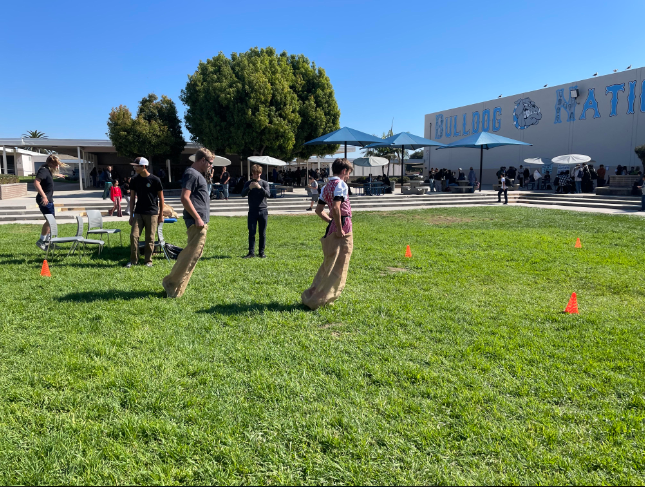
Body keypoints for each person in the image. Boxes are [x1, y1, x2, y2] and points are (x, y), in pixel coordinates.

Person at [301, 158, 354, 310]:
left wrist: (330, 222)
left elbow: (318, 210)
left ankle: (315, 293)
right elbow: (337, 208)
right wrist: (338, 227)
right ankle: (323, 298)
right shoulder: (341, 185)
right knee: (338, 265)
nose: (348, 176)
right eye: (349, 173)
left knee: (328, 264)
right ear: (344, 171)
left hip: (334, 226)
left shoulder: (326, 187)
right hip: (343, 225)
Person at [162, 149, 213, 298]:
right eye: (210, 163)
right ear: (202, 160)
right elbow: (184, 198)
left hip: (199, 220)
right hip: (196, 221)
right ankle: (171, 283)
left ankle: (177, 290)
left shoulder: (197, 175)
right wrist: (197, 217)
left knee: (193, 255)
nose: (211, 166)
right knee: (191, 255)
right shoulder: (191, 173)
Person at [125, 157, 164, 268]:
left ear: (143, 166)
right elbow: (132, 198)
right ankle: (133, 260)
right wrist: (131, 214)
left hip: (152, 213)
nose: (134, 168)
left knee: (150, 238)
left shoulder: (155, 180)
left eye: (136, 166)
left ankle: (148, 260)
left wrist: (160, 215)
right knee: (134, 236)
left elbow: (161, 198)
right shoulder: (134, 180)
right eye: (134, 165)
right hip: (138, 212)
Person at [35, 155, 68, 250]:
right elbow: (36, 182)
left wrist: (58, 175)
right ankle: (41, 241)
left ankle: (49, 242)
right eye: (55, 165)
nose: (57, 167)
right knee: (50, 221)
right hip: (44, 200)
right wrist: (44, 196)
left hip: (48, 199)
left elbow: (47, 177)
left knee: (51, 221)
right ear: (50, 163)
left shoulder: (47, 170)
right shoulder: (43, 170)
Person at [241, 164, 271, 258]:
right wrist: (249, 188)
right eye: (254, 174)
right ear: (252, 174)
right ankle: (251, 252)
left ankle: (261, 252)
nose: (256, 176)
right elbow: (242, 194)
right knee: (252, 232)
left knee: (262, 233)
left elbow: (268, 194)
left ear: (260, 174)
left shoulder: (264, 183)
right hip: (252, 211)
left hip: (263, 210)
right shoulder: (248, 183)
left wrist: (259, 187)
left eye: (257, 174)